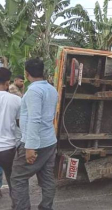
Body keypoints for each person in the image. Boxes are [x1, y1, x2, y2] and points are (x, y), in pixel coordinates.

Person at [11, 58, 58, 210]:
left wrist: (30, 147)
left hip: (35, 142)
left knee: (18, 178)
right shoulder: (51, 89)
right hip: (49, 141)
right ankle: (46, 207)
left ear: (26, 73)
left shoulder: (33, 91)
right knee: (47, 177)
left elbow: (34, 119)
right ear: (42, 71)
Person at [0, 67, 21, 205]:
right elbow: (21, 124)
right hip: (8, 148)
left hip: (8, 147)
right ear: (7, 83)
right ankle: (17, 205)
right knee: (13, 181)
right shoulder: (16, 100)